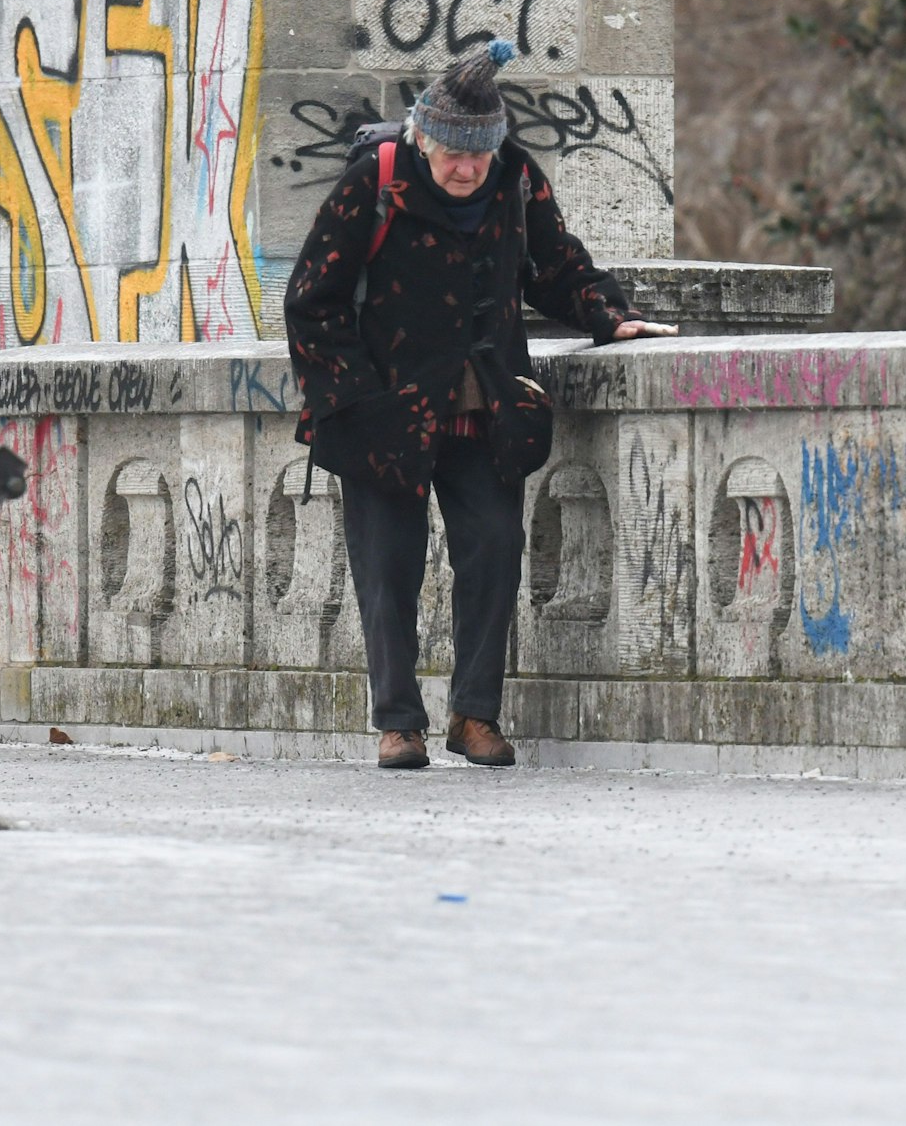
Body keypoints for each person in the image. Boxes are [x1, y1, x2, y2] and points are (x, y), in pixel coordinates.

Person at [283, 40, 676, 771]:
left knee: (494, 547)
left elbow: (554, 264)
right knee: (388, 564)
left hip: (483, 407)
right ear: (424, 139)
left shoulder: (515, 180)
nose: (466, 169)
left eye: (480, 154)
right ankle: (399, 724)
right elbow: (312, 300)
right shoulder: (377, 180)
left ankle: (474, 714)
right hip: (382, 416)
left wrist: (607, 314)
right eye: (453, 154)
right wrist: (354, 396)